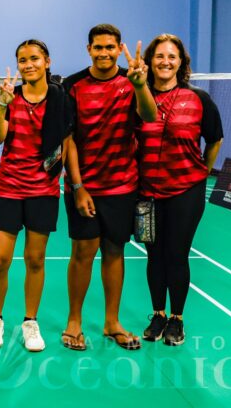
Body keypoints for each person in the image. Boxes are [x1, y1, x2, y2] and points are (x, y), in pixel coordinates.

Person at [61, 24, 157, 351]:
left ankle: (111, 321)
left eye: (110, 47)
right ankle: (74, 321)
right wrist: (78, 187)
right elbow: (68, 139)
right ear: (88, 49)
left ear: (119, 49)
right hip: (84, 184)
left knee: (115, 251)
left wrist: (141, 85)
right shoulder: (72, 85)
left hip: (122, 185)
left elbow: (149, 116)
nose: (104, 52)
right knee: (83, 252)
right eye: (98, 47)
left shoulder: (133, 82)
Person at [0, 40, 72, 351]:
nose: (28, 64)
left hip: (43, 190)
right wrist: (3, 104)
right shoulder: (12, 97)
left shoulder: (61, 99)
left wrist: (74, 182)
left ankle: (30, 322)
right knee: (0, 259)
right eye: (22, 60)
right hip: (8, 187)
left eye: (34, 58)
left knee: (35, 259)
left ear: (47, 61)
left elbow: (67, 142)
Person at [138, 34, 223, 346]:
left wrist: (201, 168)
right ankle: (157, 314)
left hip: (185, 191)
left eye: (172, 56)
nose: (165, 61)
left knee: (176, 254)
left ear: (181, 63)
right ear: (149, 62)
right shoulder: (140, 98)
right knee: (153, 255)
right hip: (146, 193)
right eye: (159, 56)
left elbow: (215, 138)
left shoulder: (198, 98)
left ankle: (177, 319)